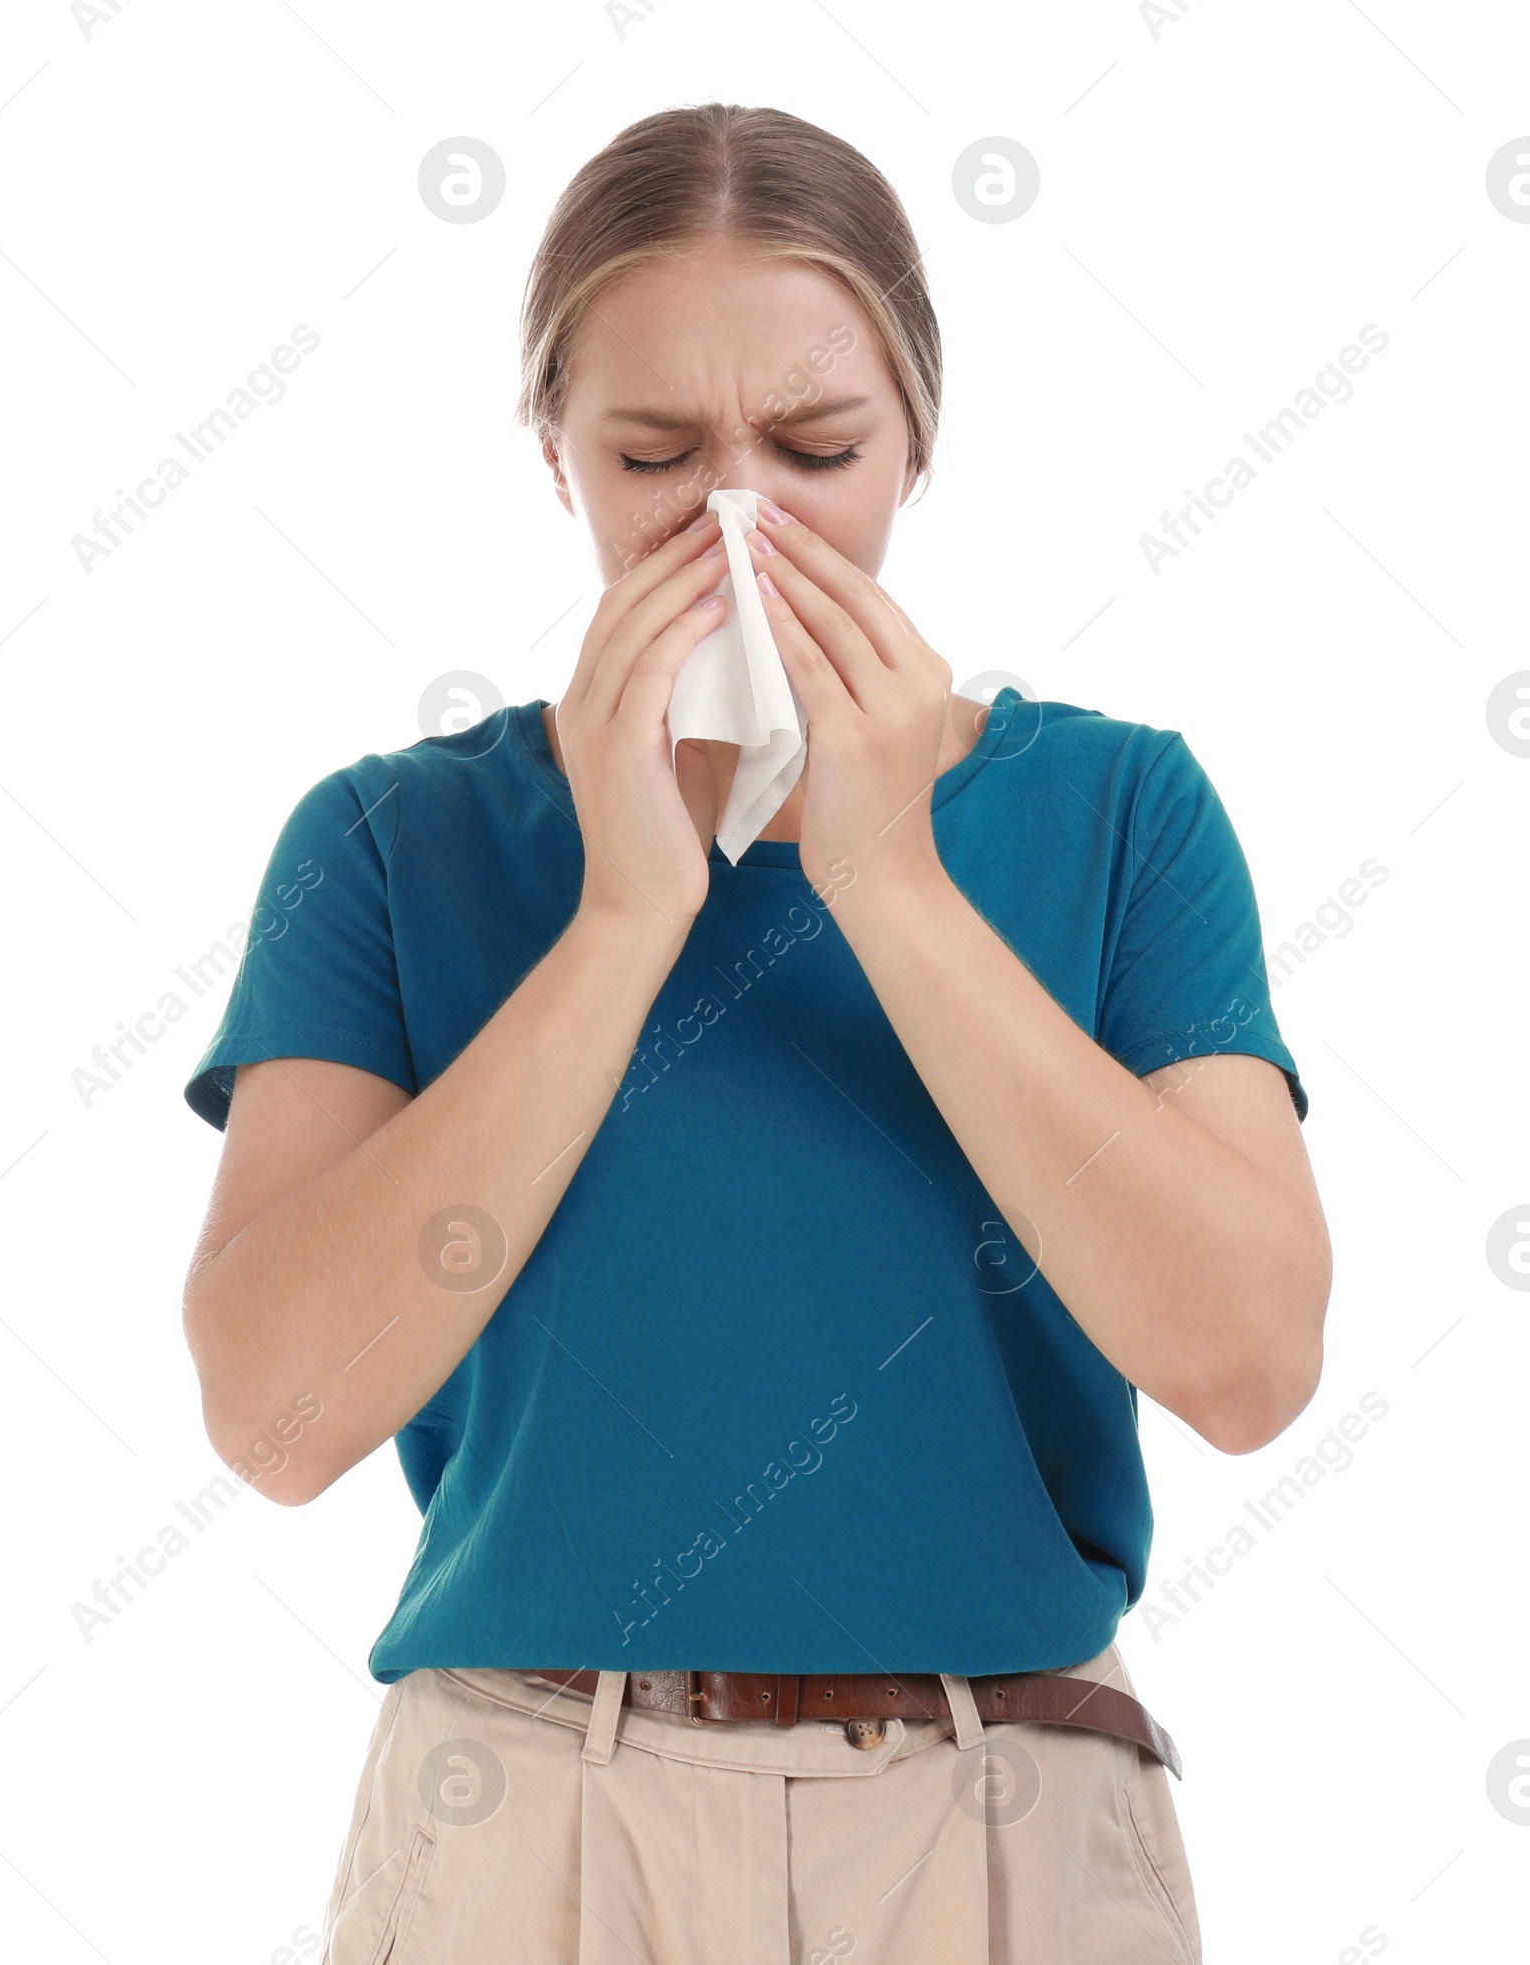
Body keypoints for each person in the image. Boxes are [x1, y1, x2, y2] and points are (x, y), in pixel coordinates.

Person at [180, 102, 1331, 1965]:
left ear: (919, 445)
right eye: (655, 454)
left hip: (1003, 1813)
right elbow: (279, 1412)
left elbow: (1250, 1363)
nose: (739, 518)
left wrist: (895, 883)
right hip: (523, 1823)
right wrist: (627, 916)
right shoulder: (397, 845)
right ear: (555, 456)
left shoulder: (1121, 815)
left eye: (815, 448)